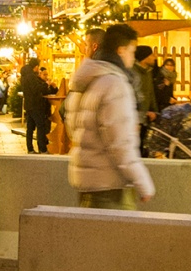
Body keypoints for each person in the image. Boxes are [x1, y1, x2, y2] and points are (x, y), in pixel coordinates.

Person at [64, 23, 155, 209]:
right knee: (116, 237)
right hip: (110, 185)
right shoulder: (115, 84)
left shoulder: (85, 80)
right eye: (132, 50)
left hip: (86, 183)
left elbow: (72, 127)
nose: (133, 56)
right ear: (121, 50)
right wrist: (143, 183)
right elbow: (120, 143)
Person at [21, 60, 52, 154]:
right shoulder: (31, 76)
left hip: (29, 105)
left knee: (30, 128)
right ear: (35, 66)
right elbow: (36, 89)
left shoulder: (24, 76)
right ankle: (42, 148)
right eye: (38, 67)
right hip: (35, 105)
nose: (38, 69)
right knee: (40, 126)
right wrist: (46, 84)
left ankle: (30, 148)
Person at [132, 45, 159, 152]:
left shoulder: (148, 72)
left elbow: (150, 93)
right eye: (151, 55)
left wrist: (154, 111)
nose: (155, 57)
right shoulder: (133, 72)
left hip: (145, 118)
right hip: (135, 119)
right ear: (144, 57)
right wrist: (144, 112)